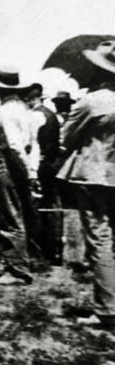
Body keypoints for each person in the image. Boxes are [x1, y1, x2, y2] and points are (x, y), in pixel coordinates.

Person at [58, 40, 115, 329]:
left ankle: (107, 309)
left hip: (94, 175)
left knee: (100, 239)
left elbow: (66, 137)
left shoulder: (92, 101)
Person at [0, 67, 40, 280]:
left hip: (8, 160)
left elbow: (14, 144)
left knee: (10, 214)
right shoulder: (24, 109)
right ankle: (10, 262)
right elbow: (33, 143)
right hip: (20, 160)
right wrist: (32, 171)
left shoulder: (6, 110)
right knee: (15, 211)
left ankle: (16, 268)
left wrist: (24, 171)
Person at [28, 82, 64, 265]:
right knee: (52, 205)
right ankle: (55, 249)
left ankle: (42, 249)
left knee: (38, 206)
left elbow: (33, 143)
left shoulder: (35, 115)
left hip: (40, 163)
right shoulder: (51, 115)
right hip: (52, 164)